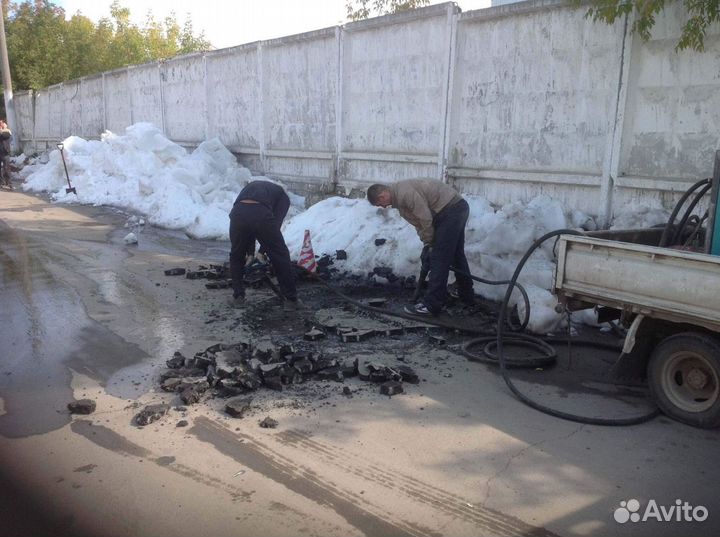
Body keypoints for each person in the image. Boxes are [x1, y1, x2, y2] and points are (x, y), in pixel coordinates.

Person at [367, 179, 474, 315]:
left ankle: (432, 305)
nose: (382, 207)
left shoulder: (405, 193)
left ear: (382, 196)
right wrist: (427, 243)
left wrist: (432, 244)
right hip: (454, 209)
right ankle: (466, 294)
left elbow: (425, 218)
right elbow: (418, 223)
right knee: (455, 254)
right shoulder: (399, 200)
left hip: (451, 209)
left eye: (380, 204)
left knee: (439, 258)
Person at [229, 180, 300, 310]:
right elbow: (274, 224)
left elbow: (248, 223)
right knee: (280, 254)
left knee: (236, 254)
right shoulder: (283, 198)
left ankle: (238, 297)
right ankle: (291, 300)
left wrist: (250, 253)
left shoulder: (251, 188)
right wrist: (262, 252)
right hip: (260, 214)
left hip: (237, 213)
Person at [0, 120, 12, 189]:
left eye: (1, 123)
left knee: (7, 168)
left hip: (5, 153)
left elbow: (6, 136)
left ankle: (9, 183)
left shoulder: (6, 131)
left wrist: (3, 129)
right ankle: (1, 182)